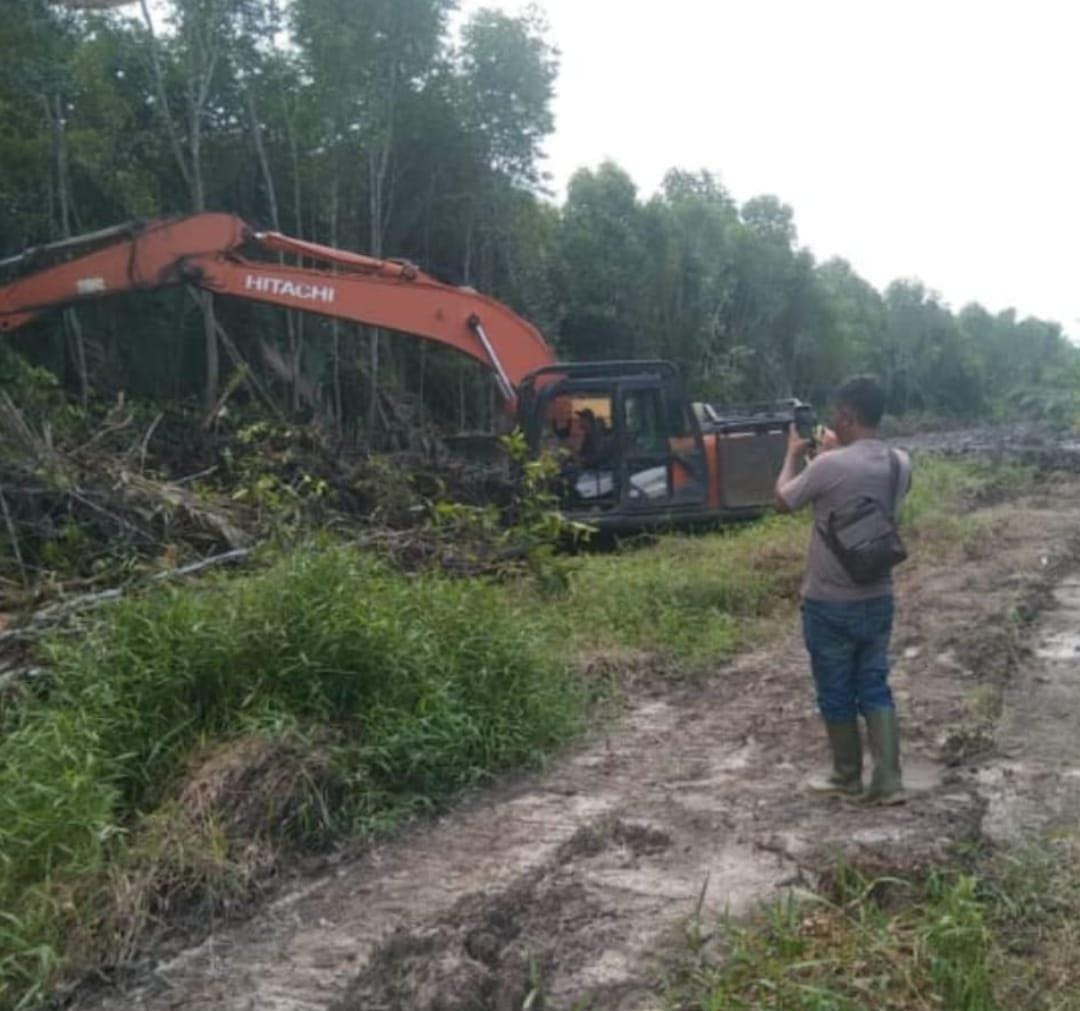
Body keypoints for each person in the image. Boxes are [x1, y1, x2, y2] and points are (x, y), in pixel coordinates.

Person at [774, 375, 912, 805]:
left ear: (848, 416)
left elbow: (783, 500)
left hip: (829, 601)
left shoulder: (827, 466)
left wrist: (793, 455)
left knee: (835, 688)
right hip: (878, 596)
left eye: (837, 414)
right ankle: (889, 781)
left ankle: (847, 775)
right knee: (874, 682)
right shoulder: (900, 463)